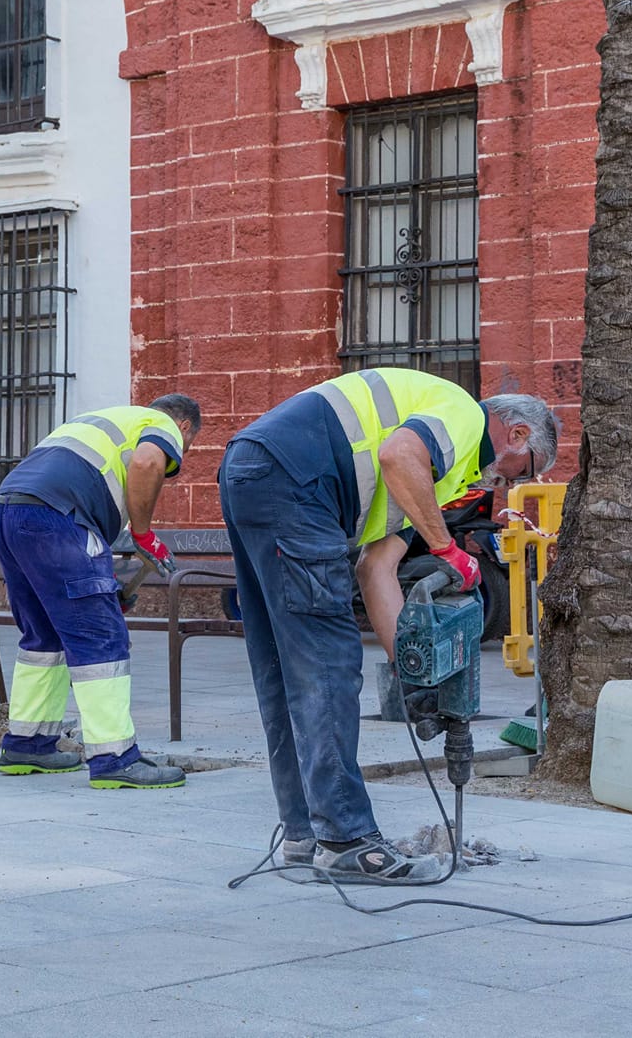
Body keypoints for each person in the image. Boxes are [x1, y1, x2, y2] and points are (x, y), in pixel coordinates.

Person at [219, 369, 558, 882]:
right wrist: (447, 548)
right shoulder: (462, 415)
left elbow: (374, 568)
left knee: (282, 668)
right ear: (517, 434)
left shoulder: (437, 476)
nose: (509, 485)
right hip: (297, 479)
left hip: (254, 470)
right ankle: (347, 839)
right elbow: (398, 453)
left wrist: (415, 676)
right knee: (328, 666)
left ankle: (304, 833)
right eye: (522, 471)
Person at [0, 393, 202, 789]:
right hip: (56, 517)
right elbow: (147, 462)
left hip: (8, 511)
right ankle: (115, 758)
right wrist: (142, 534)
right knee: (101, 637)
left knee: (44, 634)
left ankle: (28, 745)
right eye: (184, 449)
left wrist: (107, 589)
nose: (178, 455)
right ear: (185, 427)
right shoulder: (164, 424)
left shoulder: (101, 419)